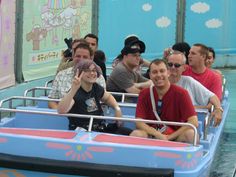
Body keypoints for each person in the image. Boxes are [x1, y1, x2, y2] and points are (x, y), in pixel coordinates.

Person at [130, 59, 198, 144]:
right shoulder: (144, 93)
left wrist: (169, 137)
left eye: (162, 71)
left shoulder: (182, 93)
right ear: (150, 76)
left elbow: (193, 122)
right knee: (136, 134)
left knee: (191, 134)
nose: (159, 75)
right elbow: (139, 122)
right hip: (151, 135)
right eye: (154, 72)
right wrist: (157, 134)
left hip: (175, 136)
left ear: (168, 73)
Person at [57, 60, 131, 135]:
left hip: (100, 127)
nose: (92, 73)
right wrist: (73, 89)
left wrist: (117, 109)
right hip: (82, 131)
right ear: (79, 73)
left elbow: (108, 97)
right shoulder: (74, 92)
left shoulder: (96, 87)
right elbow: (61, 110)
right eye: (87, 71)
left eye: (94, 70)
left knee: (131, 134)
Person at [166, 51, 223, 126]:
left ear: (184, 68)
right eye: (170, 64)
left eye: (177, 65)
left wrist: (218, 109)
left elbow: (213, 97)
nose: (173, 67)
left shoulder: (189, 81)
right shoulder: (159, 82)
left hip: (187, 124)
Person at [48, 43, 106, 109]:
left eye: (85, 57)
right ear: (73, 56)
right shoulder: (61, 75)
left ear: (91, 59)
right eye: (78, 56)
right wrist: (61, 113)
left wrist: (117, 108)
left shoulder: (98, 77)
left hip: (88, 116)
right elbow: (52, 101)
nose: (81, 59)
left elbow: (103, 102)